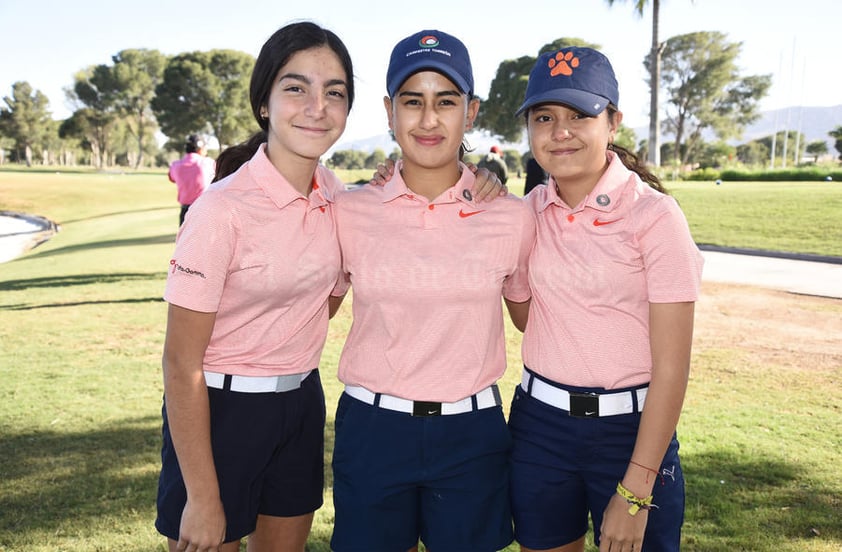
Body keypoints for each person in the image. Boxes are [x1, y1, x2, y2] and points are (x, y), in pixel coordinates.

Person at [155, 21, 505, 552]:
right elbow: (181, 363)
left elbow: (336, 292)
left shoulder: (337, 197)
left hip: (301, 404)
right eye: (296, 87)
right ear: (264, 102)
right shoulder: (219, 210)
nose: (317, 106)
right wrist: (202, 497)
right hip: (222, 413)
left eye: (334, 92)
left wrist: (478, 177)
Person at [329, 29, 535, 552]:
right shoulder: (349, 211)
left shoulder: (511, 216)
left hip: (472, 433)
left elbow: (531, 317)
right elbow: (312, 309)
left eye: (446, 102)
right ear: (389, 110)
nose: (428, 120)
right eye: (412, 102)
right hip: (373, 429)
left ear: (471, 113)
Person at [507, 47, 704, 552]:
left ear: (612, 122)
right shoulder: (525, 212)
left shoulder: (655, 217)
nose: (560, 131)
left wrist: (637, 488)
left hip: (632, 432)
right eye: (544, 117)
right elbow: (528, 318)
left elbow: (672, 368)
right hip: (539, 426)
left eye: (579, 115)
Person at [168, 134, 215, 226]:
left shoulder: (176, 165)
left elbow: (171, 178)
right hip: (204, 210)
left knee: (186, 240)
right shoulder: (208, 163)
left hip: (185, 212)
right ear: (200, 148)